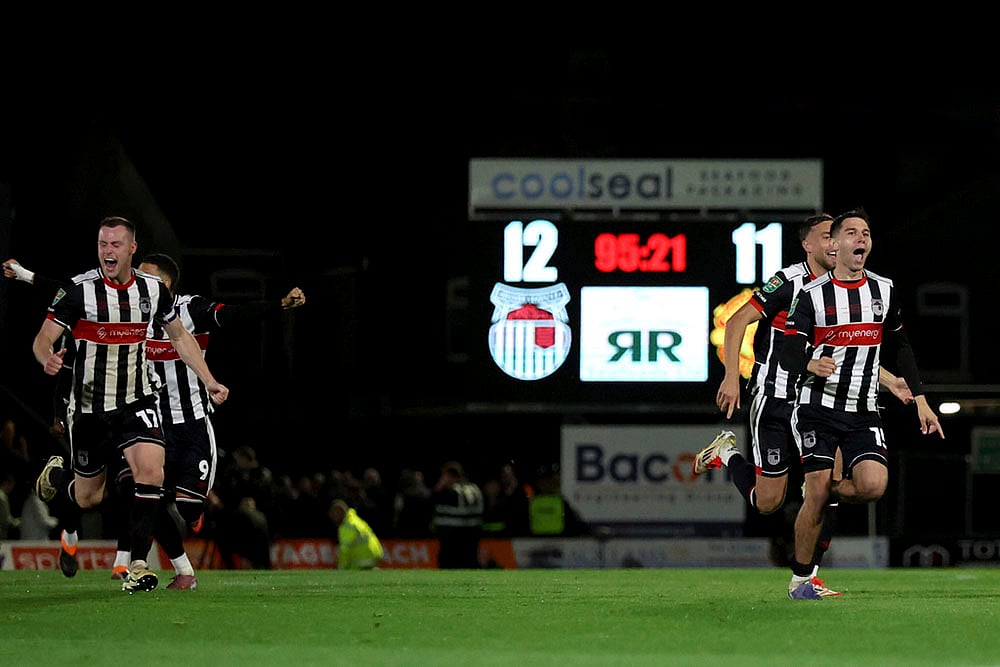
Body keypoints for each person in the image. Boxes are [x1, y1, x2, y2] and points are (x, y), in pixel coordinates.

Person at [693, 213, 913, 595]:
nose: (833, 243)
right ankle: (727, 455)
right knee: (768, 502)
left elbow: (850, 354)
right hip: (777, 397)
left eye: (836, 236)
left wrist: (892, 380)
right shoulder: (789, 282)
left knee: (828, 490)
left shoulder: (850, 289)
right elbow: (736, 321)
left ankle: (807, 577)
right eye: (825, 237)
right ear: (808, 245)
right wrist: (732, 376)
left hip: (821, 404)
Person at [32, 216, 230, 593]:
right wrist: (47, 358)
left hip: (136, 399)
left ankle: (137, 566)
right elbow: (43, 339)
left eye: (116, 245)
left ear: (132, 249)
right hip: (90, 407)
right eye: (103, 244)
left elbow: (180, 337)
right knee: (90, 496)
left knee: (151, 473)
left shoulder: (154, 290)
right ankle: (59, 480)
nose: (108, 251)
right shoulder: (77, 291)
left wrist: (209, 381)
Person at [779, 207, 944, 600]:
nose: (861, 239)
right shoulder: (811, 294)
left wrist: (920, 398)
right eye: (852, 232)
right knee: (818, 494)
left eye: (866, 233)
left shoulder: (883, 290)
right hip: (817, 407)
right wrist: (808, 361)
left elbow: (900, 345)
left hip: (863, 408)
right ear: (834, 245)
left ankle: (820, 492)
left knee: (873, 485)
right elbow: (788, 350)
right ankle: (801, 580)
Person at [430, 460, 483, 569]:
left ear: (449, 475)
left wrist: (440, 485)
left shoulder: (452, 492)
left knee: (447, 564)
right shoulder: (474, 488)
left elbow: (432, 499)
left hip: (452, 537)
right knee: (469, 564)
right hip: (473, 534)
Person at [330, 498, 384, 569]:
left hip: (363, 560)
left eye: (334, 514)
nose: (333, 517)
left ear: (340, 512)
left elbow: (344, 551)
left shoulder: (347, 527)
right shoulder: (354, 520)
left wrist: (341, 568)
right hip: (374, 554)